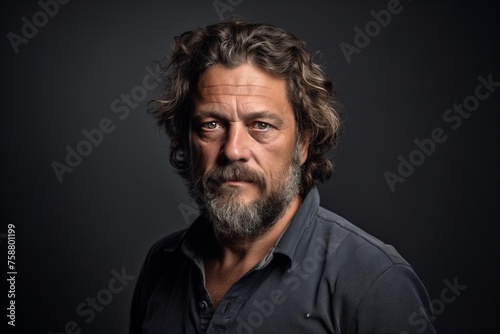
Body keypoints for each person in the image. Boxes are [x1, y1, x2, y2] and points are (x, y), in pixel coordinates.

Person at [129, 19, 436, 334]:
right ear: (187, 139)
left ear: (302, 143)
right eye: (212, 124)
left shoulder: (373, 280)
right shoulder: (161, 264)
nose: (233, 150)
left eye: (261, 125)